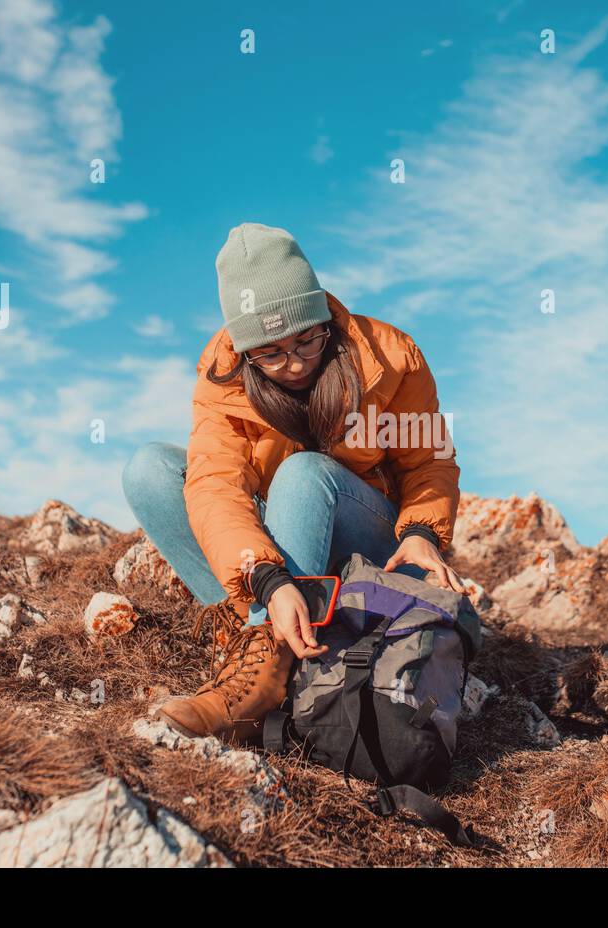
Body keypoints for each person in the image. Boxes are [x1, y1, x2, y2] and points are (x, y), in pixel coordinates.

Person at [121, 222, 469, 744]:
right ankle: (262, 631)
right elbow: (217, 483)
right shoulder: (222, 376)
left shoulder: (392, 358)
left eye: (307, 339)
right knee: (149, 468)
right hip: (283, 551)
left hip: (370, 551)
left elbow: (430, 464)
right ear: (244, 350)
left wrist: (421, 529)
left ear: (322, 317)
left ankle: (267, 668)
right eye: (269, 352)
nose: (294, 363)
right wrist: (265, 578)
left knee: (303, 472)